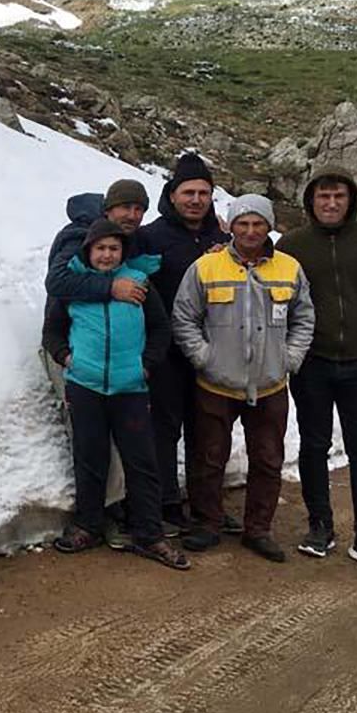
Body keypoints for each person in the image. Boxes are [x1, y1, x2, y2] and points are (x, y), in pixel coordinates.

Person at [171, 195, 315, 562]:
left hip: (269, 385)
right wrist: (204, 357)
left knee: (268, 459)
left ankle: (258, 529)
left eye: (258, 224)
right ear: (230, 226)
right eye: (243, 223)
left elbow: (304, 318)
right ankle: (208, 523)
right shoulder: (206, 267)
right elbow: (184, 317)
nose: (250, 231)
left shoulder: (288, 268)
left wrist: (291, 357)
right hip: (216, 384)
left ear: (269, 227)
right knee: (209, 458)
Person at [279, 167, 357, 577]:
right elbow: (277, 296)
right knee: (313, 447)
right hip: (312, 365)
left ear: (350, 200)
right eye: (323, 197)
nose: (331, 203)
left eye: (338, 196)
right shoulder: (293, 244)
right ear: (310, 201)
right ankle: (320, 526)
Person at [46, 219, 189, 570]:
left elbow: (160, 328)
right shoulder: (75, 287)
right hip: (86, 385)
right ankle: (88, 525)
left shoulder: (139, 283)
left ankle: (148, 534)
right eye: (100, 248)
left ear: (122, 252)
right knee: (90, 457)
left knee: (141, 461)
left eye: (114, 248)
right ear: (89, 251)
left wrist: (147, 364)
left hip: (131, 388)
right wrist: (67, 358)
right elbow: (52, 330)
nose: (107, 255)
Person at [41, 178, 152, 547]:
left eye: (139, 209)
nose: (133, 215)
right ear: (108, 209)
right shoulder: (79, 236)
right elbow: (57, 282)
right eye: (126, 208)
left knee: (120, 442)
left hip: (119, 359)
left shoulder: (124, 242)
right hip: (78, 348)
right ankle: (99, 517)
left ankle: (112, 512)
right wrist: (111, 288)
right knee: (90, 440)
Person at [130, 155, 233, 534]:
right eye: (188, 192)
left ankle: (207, 503)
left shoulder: (223, 239)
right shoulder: (151, 237)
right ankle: (166, 503)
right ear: (172, 195)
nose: (196, 200)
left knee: (207, 430)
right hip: (167, 352)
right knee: (164, 427)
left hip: (212, 351)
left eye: (203, 193)